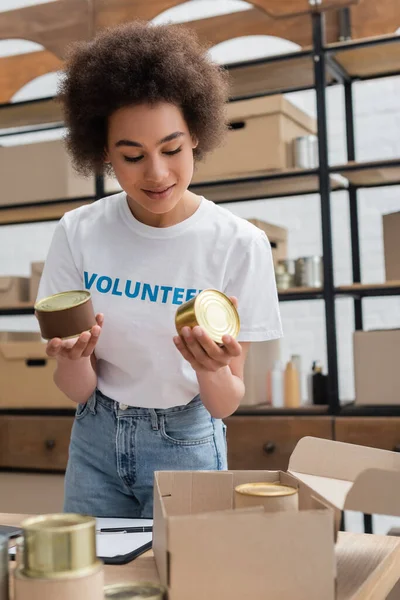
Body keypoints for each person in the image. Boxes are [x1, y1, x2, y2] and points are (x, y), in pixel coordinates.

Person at [37, 20, 283, 518]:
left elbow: (224, 404)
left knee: (187, 586)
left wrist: (210, 369)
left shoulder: (240, 244)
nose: (157, 173)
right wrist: (71, 359)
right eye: (132, 156)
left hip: (186, 443)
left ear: (196, 135)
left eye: (172, 149)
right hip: (94, 440)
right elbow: (77, 390)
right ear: (104, 154)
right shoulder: (78, 231)